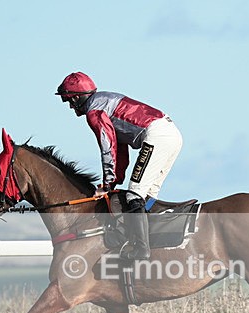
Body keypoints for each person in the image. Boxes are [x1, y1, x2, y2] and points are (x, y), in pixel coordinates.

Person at [55, 71, 183, 260]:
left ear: (77, 98)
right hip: (171, 134)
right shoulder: (103, 100)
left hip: (157, 135)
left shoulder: (94, 111)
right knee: (148, 196)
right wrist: (114, 181)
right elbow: (119, 149)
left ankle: (141, 250)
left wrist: (107, 184)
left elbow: (107, 147)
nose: (70, 107)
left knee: (134, 194)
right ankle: (150, 243)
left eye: (68, 101)